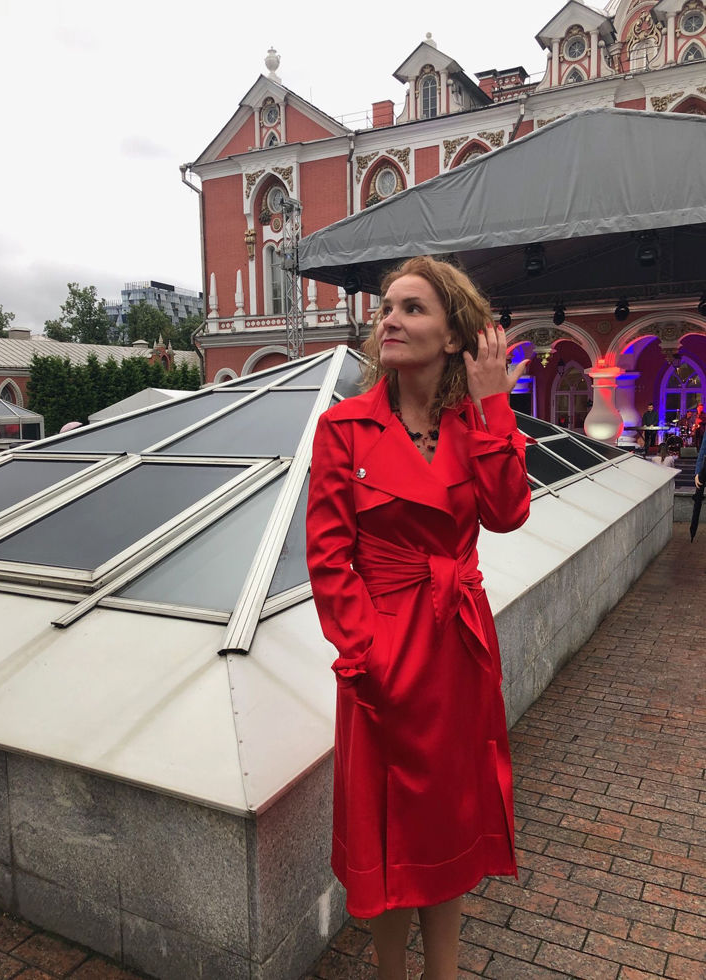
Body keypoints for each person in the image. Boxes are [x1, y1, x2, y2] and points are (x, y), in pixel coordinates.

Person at [306, 256, 531, 980]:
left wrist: (495, 407)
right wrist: (366, 653)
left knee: (445, 819)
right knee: (387, 827)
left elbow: (506, 514)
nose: (391, 321)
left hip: (456, 647)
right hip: (381, 652)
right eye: (386, 309)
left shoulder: (475, 423)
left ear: (454, 334)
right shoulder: (344, 427)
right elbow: (327, 558)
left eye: (412, 308)